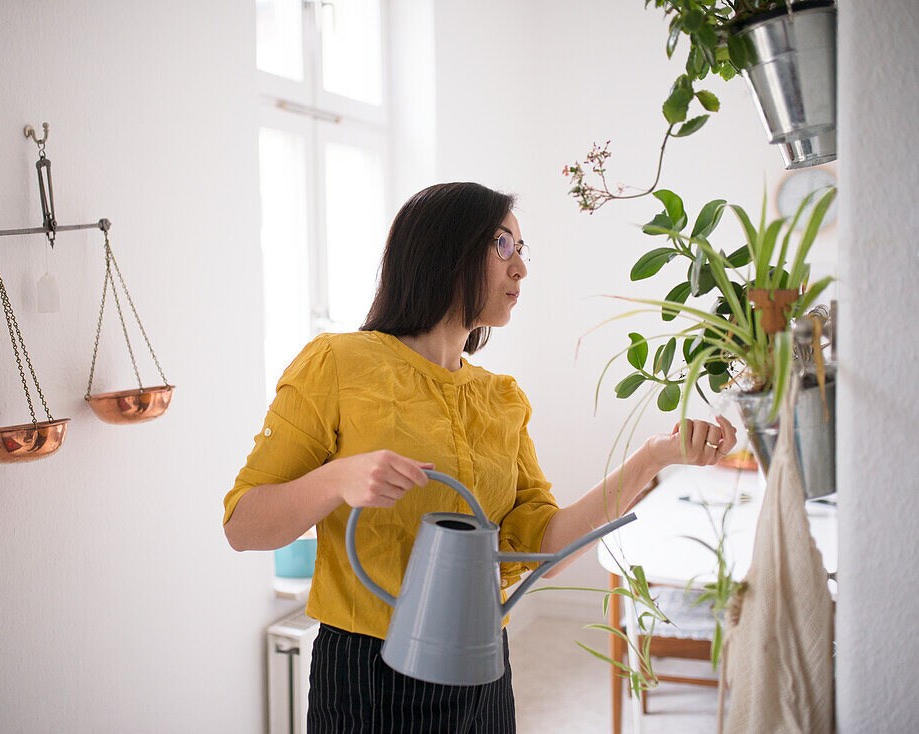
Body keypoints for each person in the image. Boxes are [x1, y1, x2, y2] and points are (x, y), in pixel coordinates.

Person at [222, 182, 736, 733]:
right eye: (502, 245)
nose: (520, 269)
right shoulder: (337, 364)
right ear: (446, 251)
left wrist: (652, 459)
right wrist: (337, 479)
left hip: (484, 669)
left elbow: (543, 549)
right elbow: (243, 525)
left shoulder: (503, 397)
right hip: (370, 676)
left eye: (522, 249)